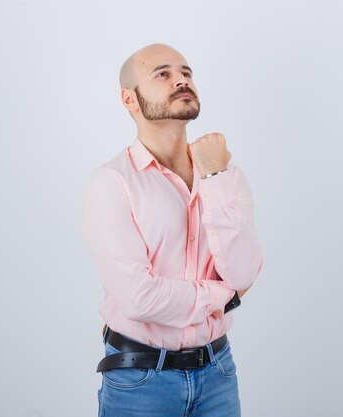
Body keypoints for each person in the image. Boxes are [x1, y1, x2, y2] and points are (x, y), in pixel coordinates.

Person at [82, 43, 264, 417]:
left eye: (186, 72)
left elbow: (245, 273)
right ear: (129, 100)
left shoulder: (226, 175)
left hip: (219, 373)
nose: (181, 79)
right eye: (162, 74)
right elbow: (139, 298)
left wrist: (212, 177)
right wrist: (224, 296)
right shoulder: (112, 182)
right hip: (141, 381)